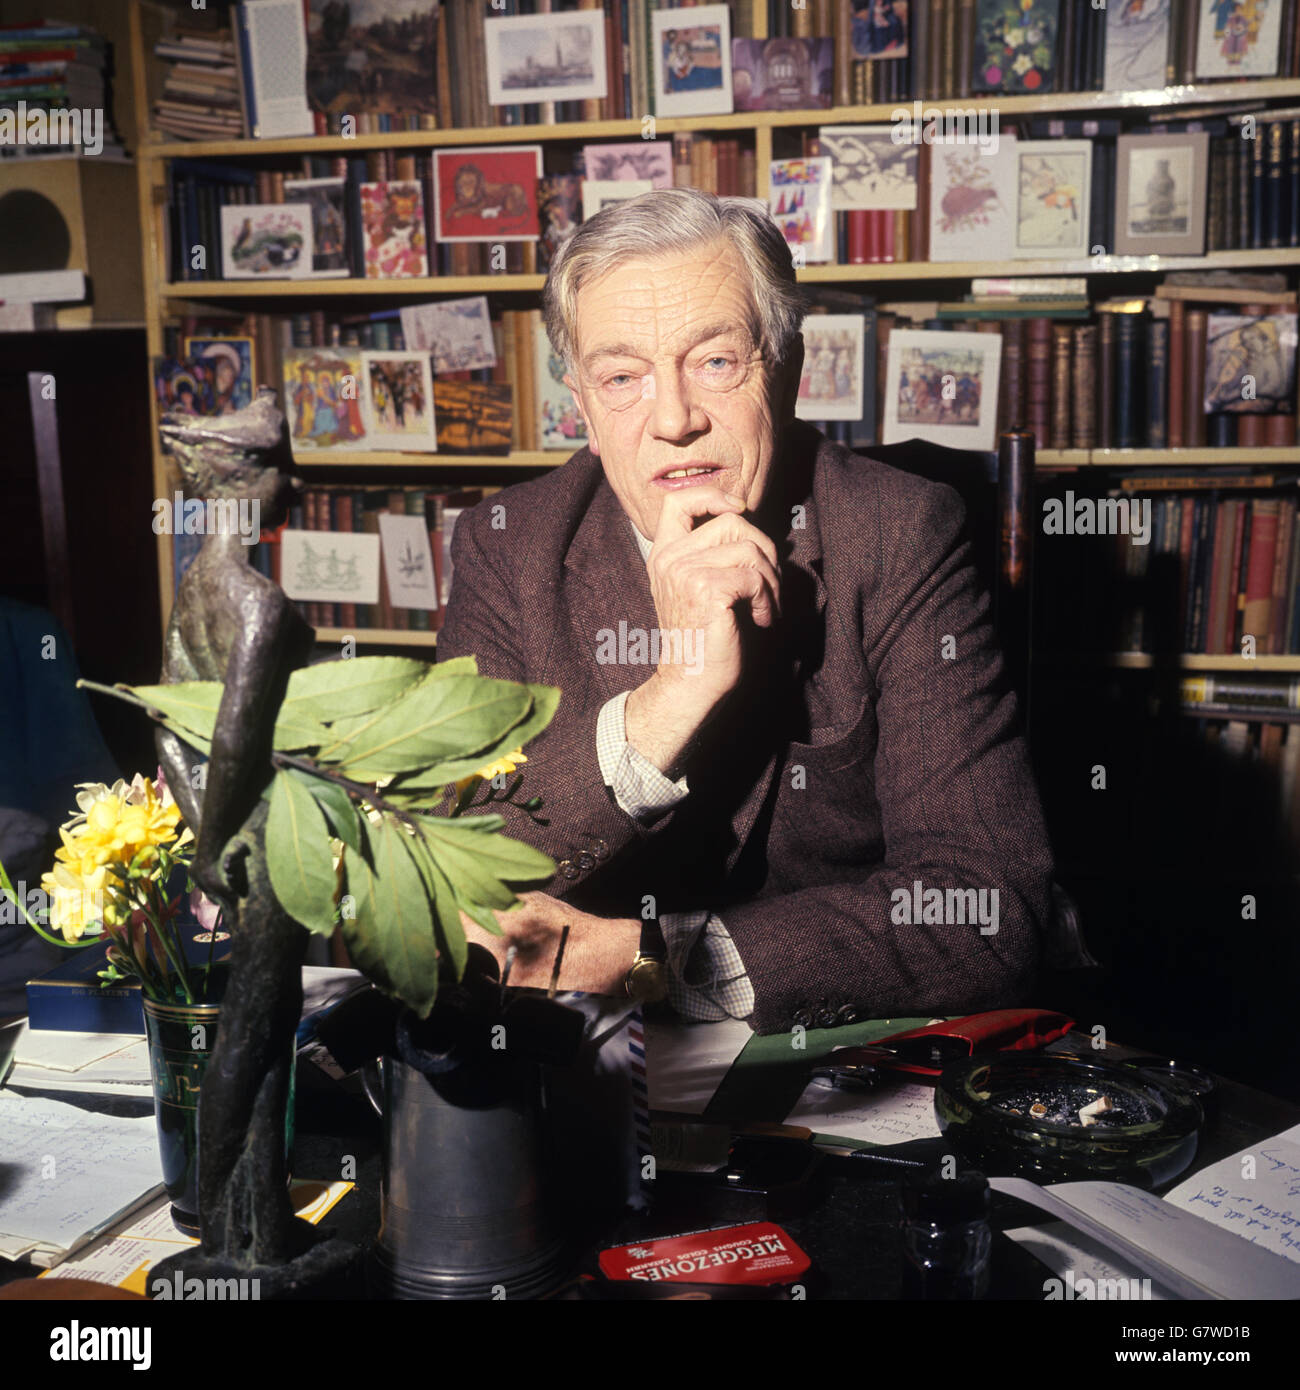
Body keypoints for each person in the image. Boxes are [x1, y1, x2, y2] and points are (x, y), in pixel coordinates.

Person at [439, 189, 1053, 1035]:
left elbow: (987, 901)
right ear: (581, 406)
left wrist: (654, 960)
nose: (675, 420)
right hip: (576, 1053)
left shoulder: (899, 530)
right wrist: (668, 700)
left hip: (833, 1048)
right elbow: (447, 857)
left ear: (788, 370)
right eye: (623, 378)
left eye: (716, 362)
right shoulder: (506, 546)